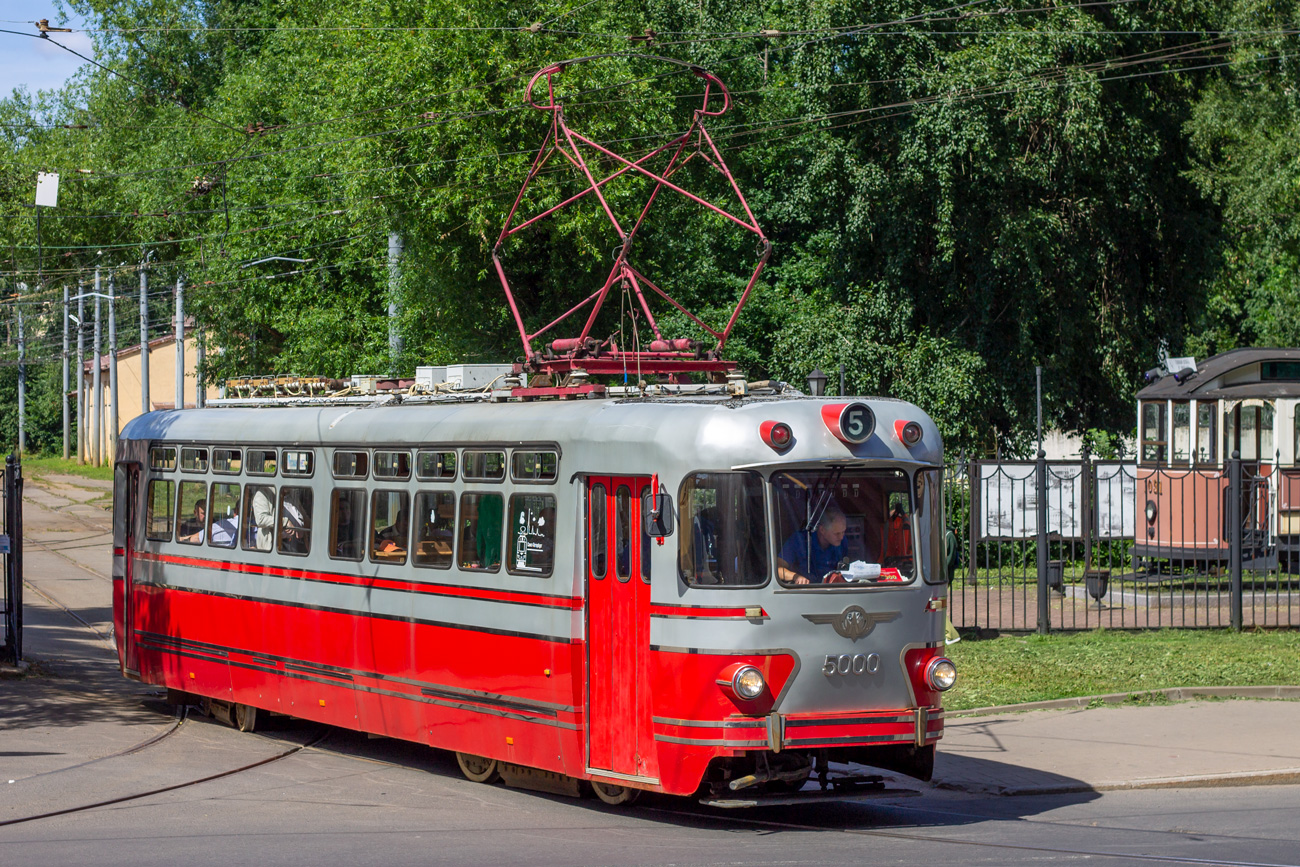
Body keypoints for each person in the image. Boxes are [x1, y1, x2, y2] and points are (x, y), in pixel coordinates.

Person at [776, 503, 848, 585]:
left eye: (843, 532)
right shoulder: (799, 540)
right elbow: (778, 569)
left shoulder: (842, 542)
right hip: (805, 591)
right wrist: (796, 577)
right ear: (822, 530)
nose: (841, 537)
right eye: (837, 533)